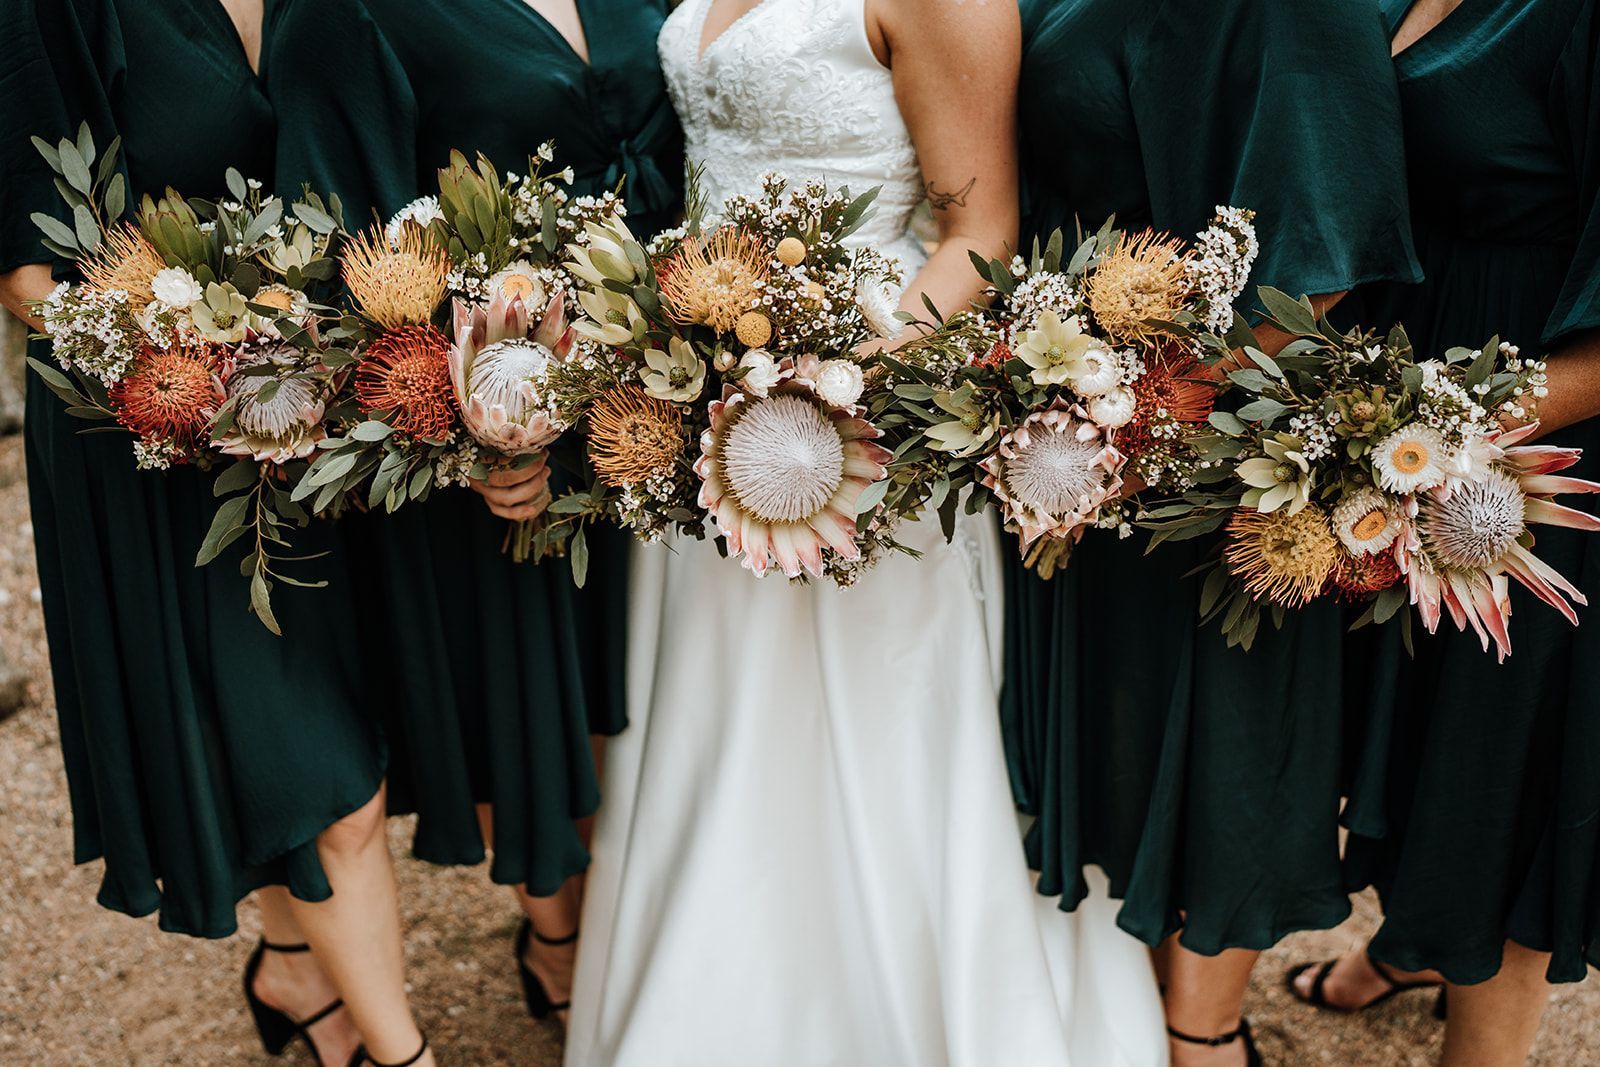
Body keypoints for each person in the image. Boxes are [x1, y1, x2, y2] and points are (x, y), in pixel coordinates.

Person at [566, 1, 1167, 1064]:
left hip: (857, 410)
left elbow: (978, 233)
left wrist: (833, 396)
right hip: (699, 386)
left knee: (874, 715)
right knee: (720, 706)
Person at [0, 2, 431, 1064]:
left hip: (328, 419)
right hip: (153, 438)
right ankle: (403, 1053)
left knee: (313, 726)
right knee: (329, 783)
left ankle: (294, 969)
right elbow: (30, 282)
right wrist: (200, 377)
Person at [1006, 1, 1421, 1063]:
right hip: (1086, 421)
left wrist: (1145, 425)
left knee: (1222, 745)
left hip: (1206, 443)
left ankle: (1207, 1038)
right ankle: (1142, 1013)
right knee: (1129, 743)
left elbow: (1311, 268)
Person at [266, 0, 683, 1027]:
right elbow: (339, 242)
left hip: (657, 398)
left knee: (628, 680)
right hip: (496, 417)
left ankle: (621, 916)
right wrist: (473, 429)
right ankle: (557, 937)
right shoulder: (347, 13)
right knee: (524, 688)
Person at [1289, 3, 1600, 1065]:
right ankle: (1410, 945)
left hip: (1534, 444)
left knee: (1495, 760)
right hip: (1395, 410)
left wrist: (1454, 423)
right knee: (1411, 721)